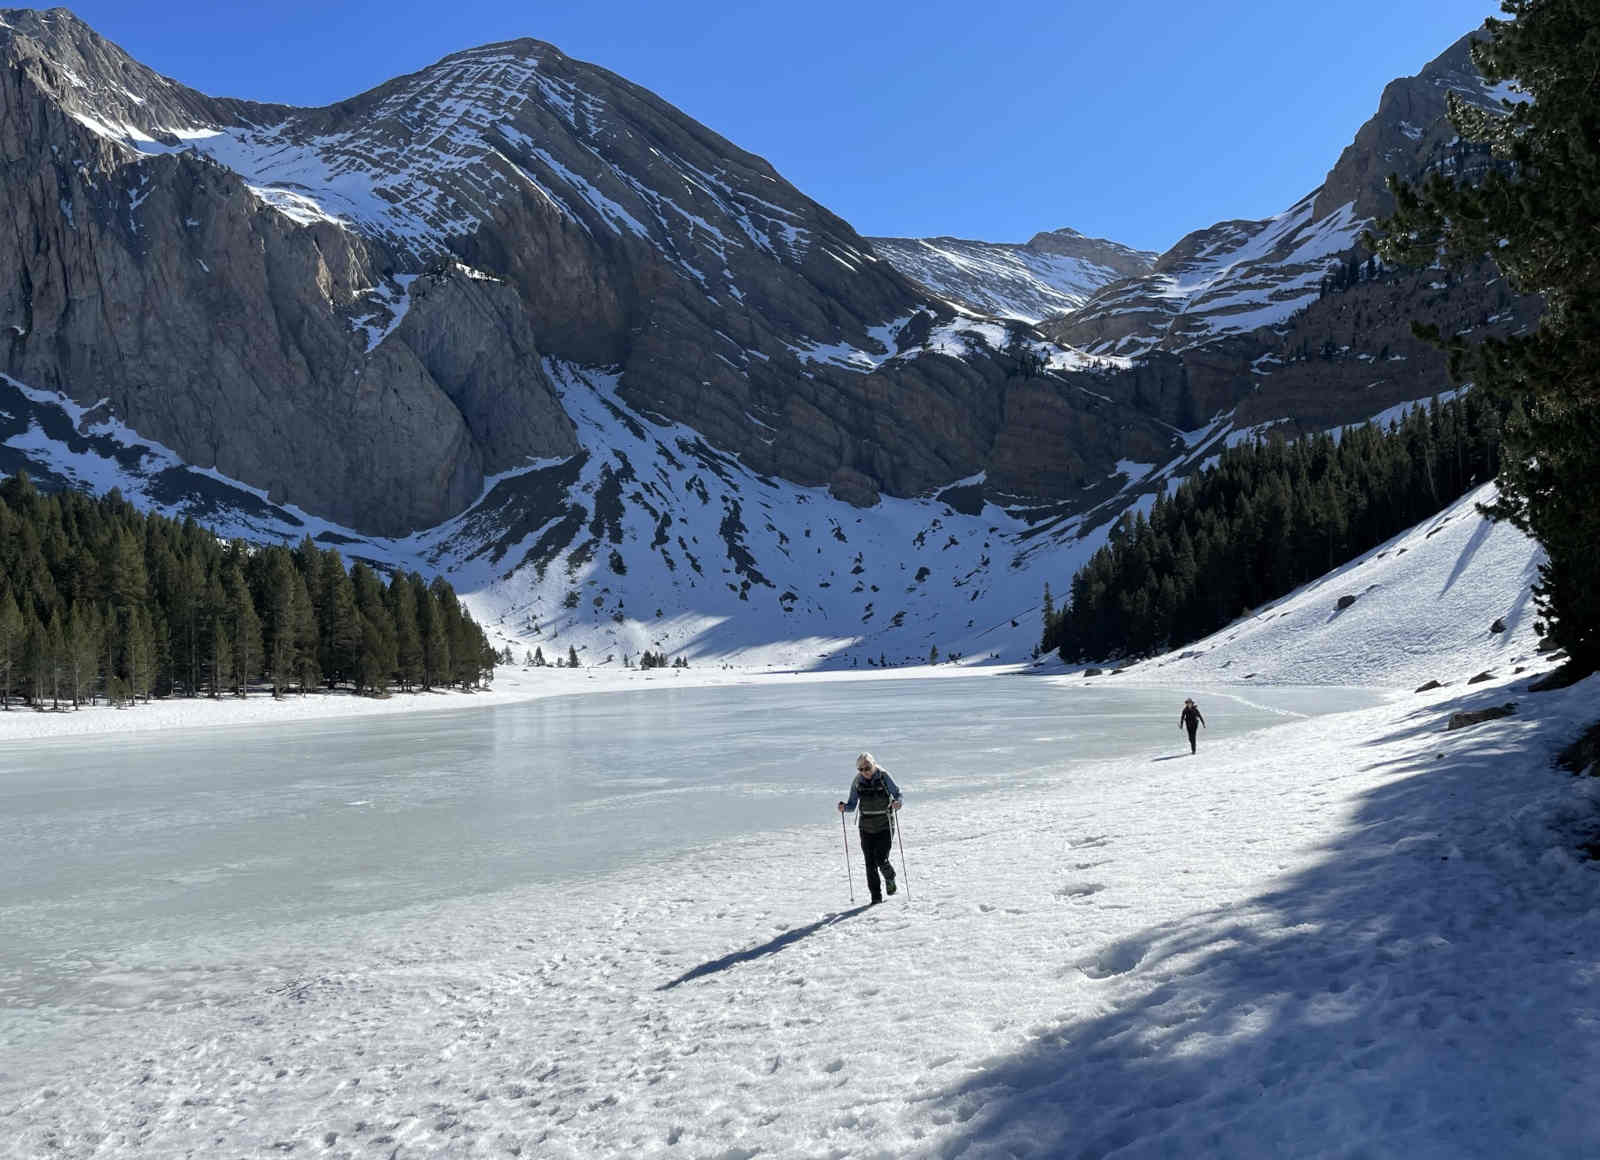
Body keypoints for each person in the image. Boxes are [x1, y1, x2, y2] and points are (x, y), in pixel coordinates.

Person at [837, 752, 902, 904]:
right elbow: (852, 805)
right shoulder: (857, 781)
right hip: (865, 827)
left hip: (885, 824)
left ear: (873, 765)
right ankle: (876, 898)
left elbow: (898, 794)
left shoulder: (884, 776)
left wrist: (898, 803)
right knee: (869, 863)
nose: (865, 772)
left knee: (881, 858)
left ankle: (890, 877)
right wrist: (844, 807)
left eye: (868, 767)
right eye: (861, 769)